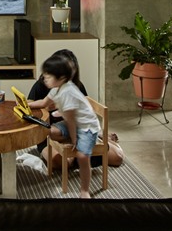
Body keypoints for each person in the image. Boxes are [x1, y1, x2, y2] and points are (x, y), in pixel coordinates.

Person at [27, 49, 124, 169]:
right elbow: (31, 107)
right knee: (60, 162)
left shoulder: (75, 87)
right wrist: (45, 108)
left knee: (118, 157)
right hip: (50, 136)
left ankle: (95, 141)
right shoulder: (41, 85)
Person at [28, 52, 100, 198]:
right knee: (49, 133)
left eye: (49, 75)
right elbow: (42, 102)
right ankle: (72, 154)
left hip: (85, 127)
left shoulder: (69, 92)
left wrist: (74, 140)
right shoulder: (55, 88)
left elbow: (71, 121)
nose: (45, 77)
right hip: (67, 124)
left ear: (62, 77)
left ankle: (85, 190)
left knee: (82, 156)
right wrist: (24, 105)